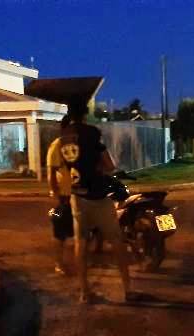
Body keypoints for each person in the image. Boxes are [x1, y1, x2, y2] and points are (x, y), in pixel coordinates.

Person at [59, 101, 136, 303]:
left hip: (77, 196)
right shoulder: (91, 133)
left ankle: (85, 292)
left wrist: (67, 194)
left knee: (81, 242)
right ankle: (128, 289)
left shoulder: (63, 137)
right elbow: (108, 165)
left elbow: (65, 169)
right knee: (117, 240)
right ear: (85, 114)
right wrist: (102, 168)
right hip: (97, 195)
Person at [47, 115, 74, 275]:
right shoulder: (57, 145)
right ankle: (59, 263)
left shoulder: (79, 145)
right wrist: (57, 195)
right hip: (65, 195)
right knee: (60, 231)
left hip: (80, 193)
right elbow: (51, 173)